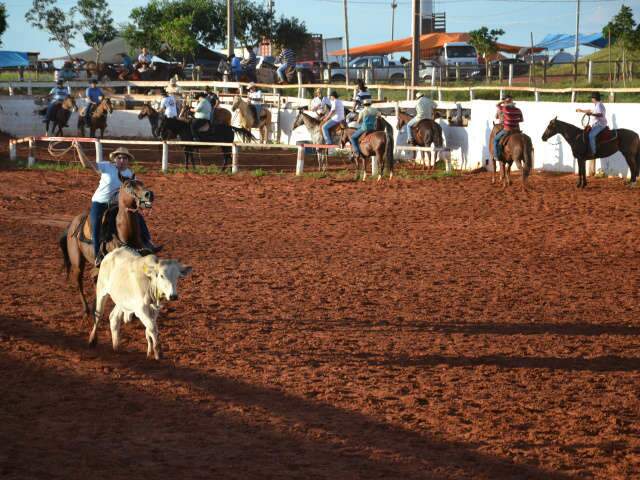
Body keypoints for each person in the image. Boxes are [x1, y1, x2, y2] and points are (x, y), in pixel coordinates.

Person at [74, 143, 160, 267]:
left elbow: (137, 192)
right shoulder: (106, 167)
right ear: (114, 159)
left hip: (117, 205)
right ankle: (98, 254)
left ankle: (148, 243)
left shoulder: (131, 175)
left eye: (124, 158)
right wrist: (79, 149)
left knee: (138, 217)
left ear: (128, 160)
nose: (121, 160)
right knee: (96, 223)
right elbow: (86, 164)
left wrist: (144, 202)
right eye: (119, 158)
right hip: (100, 202)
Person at [493, 95, 523, 161]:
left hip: (507, 129)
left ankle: (496, 156)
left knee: (495, 139)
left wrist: (503, 102)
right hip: (516, 129)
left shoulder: (504, 109)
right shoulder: (518, 110)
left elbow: (496, 114)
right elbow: (521, 120)